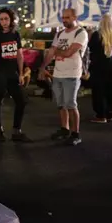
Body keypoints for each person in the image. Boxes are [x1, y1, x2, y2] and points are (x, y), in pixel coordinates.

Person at [39, 8, 88, 146]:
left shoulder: (80, 33)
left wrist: (55, 51)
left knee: (71, 104)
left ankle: (75, 133)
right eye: (63, 17)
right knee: (61, 104)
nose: (64, 20)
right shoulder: (60, 33)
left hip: (72, 73)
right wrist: (43, 67)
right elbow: (52, 53)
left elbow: (68, 52)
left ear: (74, 17)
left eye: (67, 17)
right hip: (58, 73)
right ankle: (64, 129)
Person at [0, 8, 30, 142]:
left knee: (21, 100)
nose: (4, 22)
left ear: (11, 19)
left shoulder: (15, 35)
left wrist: (20, 73)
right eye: (1, 19)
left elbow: (20, 55)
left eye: (6, 19)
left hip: (12, 73)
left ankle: (16, 130)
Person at [88, 13, 112, 123]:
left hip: (98, 66)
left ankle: (101, 115)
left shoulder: (98, 35)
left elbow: (90, 48)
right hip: (111, 66)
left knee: (98, 91)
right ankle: (110, 114)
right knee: (109, 90)